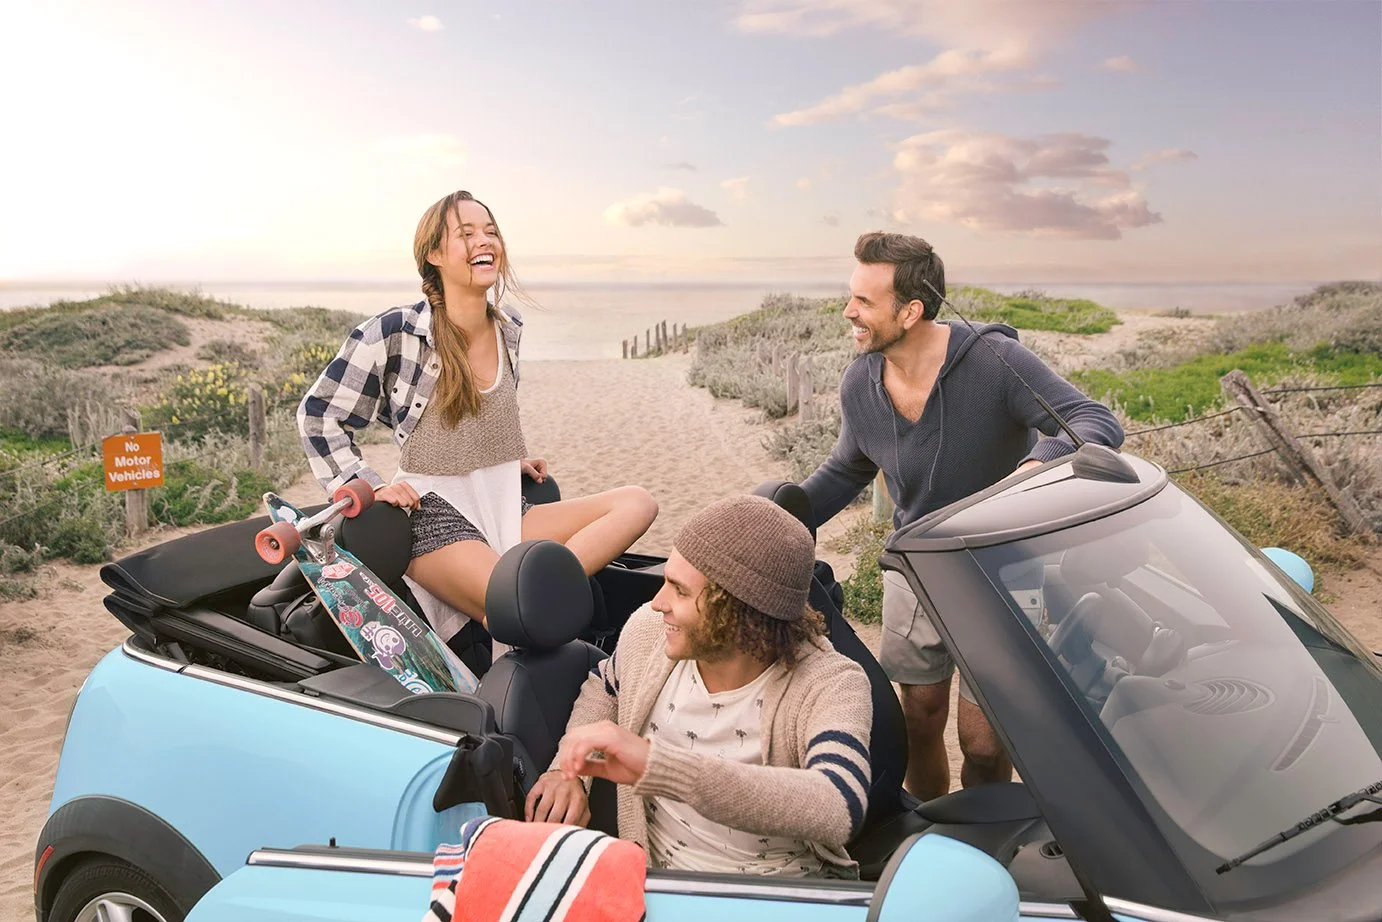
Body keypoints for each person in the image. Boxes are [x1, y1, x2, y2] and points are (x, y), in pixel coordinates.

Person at [801, 232, 1125, 801]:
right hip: (918, 570)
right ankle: (930, 824)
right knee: (919, 718)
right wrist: (775, 519)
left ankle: (984, 838)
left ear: (912, 310)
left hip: (1008, 573)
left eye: (864, 301)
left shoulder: (994, 362)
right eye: (850, 295)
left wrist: (1032, 470)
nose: (848, 311)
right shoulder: (861, 382)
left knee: (982, 741)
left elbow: (1093, 422)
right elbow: (845, 471)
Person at [298, 190, 658, 657]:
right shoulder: (395, 331)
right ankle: (526, 601)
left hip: (507, 505)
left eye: (490, 231)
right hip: (432, 515)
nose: (484, 240)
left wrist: (509, 457)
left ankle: (536, 591)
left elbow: (480, 416)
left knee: (637, 504)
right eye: (465, 233)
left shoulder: (509, 327)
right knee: (521, 607)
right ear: (433, 254)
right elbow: (319, 414)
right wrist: (365, 484)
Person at [525, 495, 873, 878]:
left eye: (680, 590)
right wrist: (567, 773)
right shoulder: (649, 633)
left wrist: (657, 764)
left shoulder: (832, 683)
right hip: (659, 888)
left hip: (787, 896)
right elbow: (606, 688)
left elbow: (839, 805)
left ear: (739, 612)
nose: (658, 603)